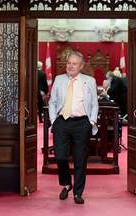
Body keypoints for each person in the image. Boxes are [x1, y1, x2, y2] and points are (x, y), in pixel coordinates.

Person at [48, 51, 99, 204]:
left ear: (81, 66)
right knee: (60, 156)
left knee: (80, 159)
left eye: (74, 63)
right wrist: (53, 121)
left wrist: (91, 123)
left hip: (82, 123)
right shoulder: (58, 79)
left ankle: (78, 192)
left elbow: (95, 104)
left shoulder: (89, 81)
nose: (70, 66)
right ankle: (66, 183)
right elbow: (52, 102)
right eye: (69, 63)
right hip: (62, 123)